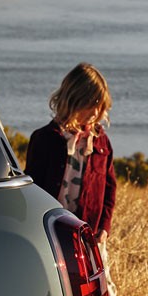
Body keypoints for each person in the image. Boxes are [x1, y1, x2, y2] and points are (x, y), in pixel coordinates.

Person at [23, 63, 118, 238]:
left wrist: (104, 228)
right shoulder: (45, 138)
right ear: (75, 100)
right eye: (92, 104)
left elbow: (110, 189)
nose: (96, 111)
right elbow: (32, 189)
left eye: (100, 105)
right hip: (49, 232)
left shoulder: (101, 142)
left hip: (88, 234)